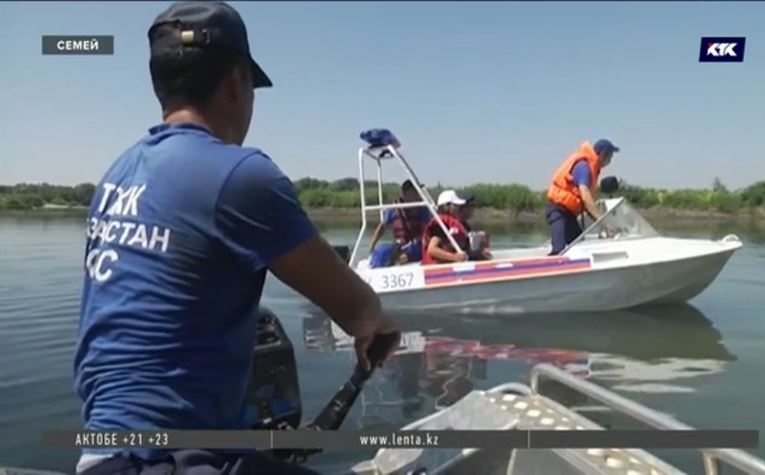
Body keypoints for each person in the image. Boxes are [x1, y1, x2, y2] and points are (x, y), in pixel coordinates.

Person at [73, 3, 400, 474]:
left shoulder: (116, 177)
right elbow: (359, 311)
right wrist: (380, 324)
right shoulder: (240, 175)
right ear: (236, 83)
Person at [545, 139, 619, 255]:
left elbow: (587, 205)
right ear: (603, 154)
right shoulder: (584, 167)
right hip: (558, 210)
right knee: (559, 250)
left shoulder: (592, 169)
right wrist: (604, 222)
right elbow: (585, 197)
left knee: (579, 246)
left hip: (569, 214)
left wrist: (603, 225)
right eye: (610, 156)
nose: (611, 160)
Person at [368, 179, 431, 267]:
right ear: (407, 193)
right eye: (415, 192)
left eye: (418, 192)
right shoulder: (394, 208)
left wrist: (419, 240)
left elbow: (427, 232)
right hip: (399, 244)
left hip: (416, 245)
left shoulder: (422, 209)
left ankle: (403, 258)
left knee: (411, 252)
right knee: (381, 252)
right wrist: (372, 246)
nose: (418, 194)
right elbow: (381, 228)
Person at [421, 190, 470, 264]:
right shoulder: (440, 223)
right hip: (435, 268)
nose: (459, 208)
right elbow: (432, 249)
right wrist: (455, 257)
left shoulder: (450, 222)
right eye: (456, 205)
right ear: (447, 206)